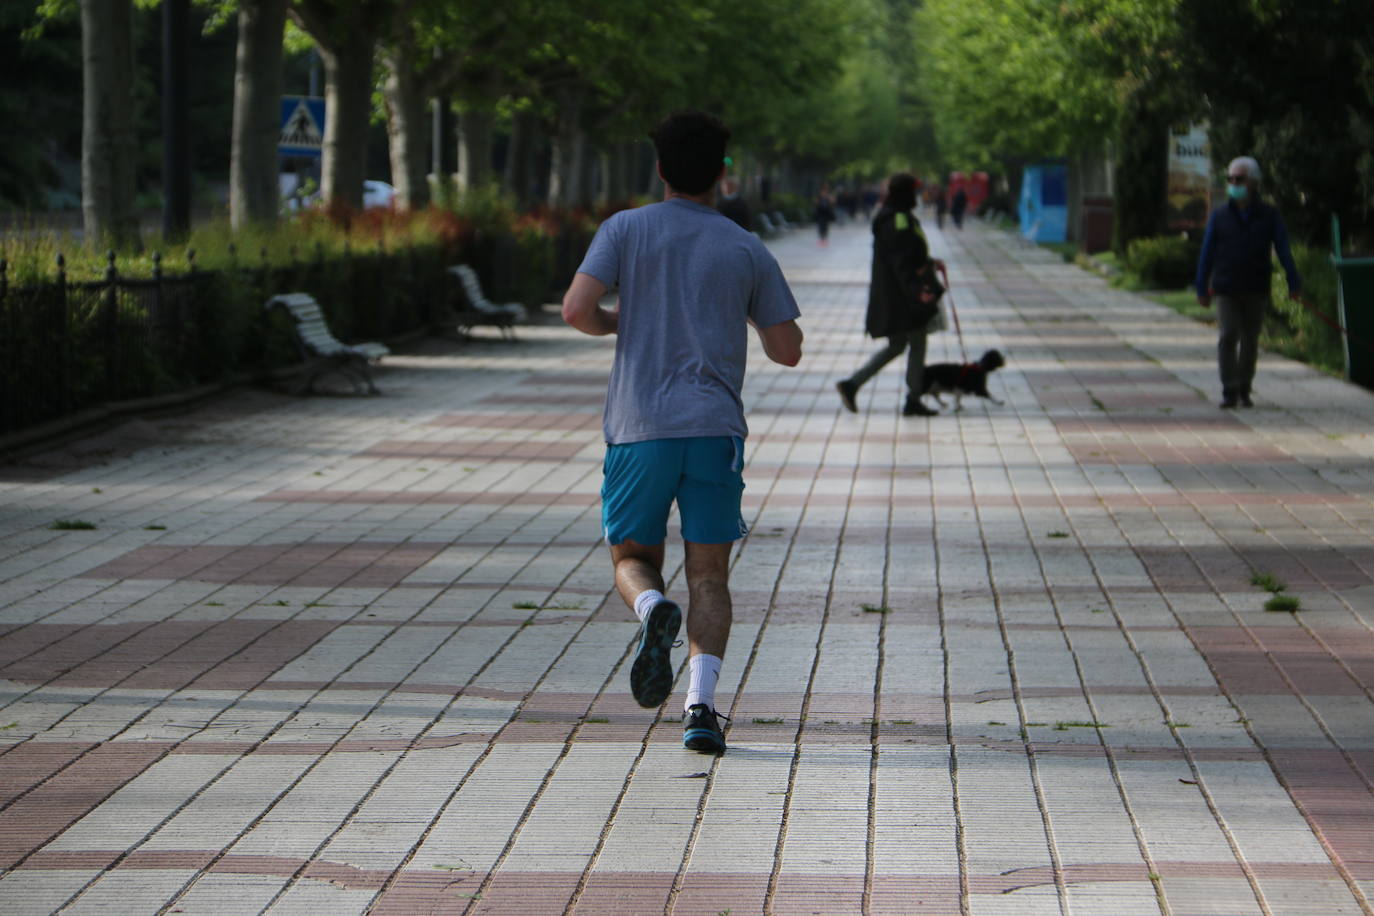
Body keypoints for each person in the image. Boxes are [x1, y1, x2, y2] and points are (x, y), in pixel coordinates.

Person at [562, 110, 804, 755]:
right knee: (709, 577)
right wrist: (735, 308)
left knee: (634, 560)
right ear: (722, 175)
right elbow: (787, 350)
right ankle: (701, 707)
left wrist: (623, 323)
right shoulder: (744, 245)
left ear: (661, 168)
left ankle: (649, 610)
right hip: (714, 431)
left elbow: (576, 310)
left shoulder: (625, 230)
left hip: (640, 430)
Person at [1194, 155, 1302, 408]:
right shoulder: (1220, 216)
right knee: (1228, 334)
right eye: (1230, 178)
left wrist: (1293, 281)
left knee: (1250, 339)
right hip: (1226, 287)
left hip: (1255, 285)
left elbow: (1283, 249)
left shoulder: (1268, 215)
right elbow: (1206, 253)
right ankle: (1229, 389)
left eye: (1239, 179)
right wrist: (1201, 286)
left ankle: (1244, 386)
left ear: (1253, 182)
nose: (1233, 183)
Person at [835, 173, 945, 417]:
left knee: (897, 345)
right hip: (903, 297)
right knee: (916, 343)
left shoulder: (895, 215)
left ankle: (852, 384)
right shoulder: (897, 218)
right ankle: (913, 399)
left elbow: (907, 253)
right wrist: (920, 289)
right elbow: (902, 259)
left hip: (897, 294)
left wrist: (927, 262)